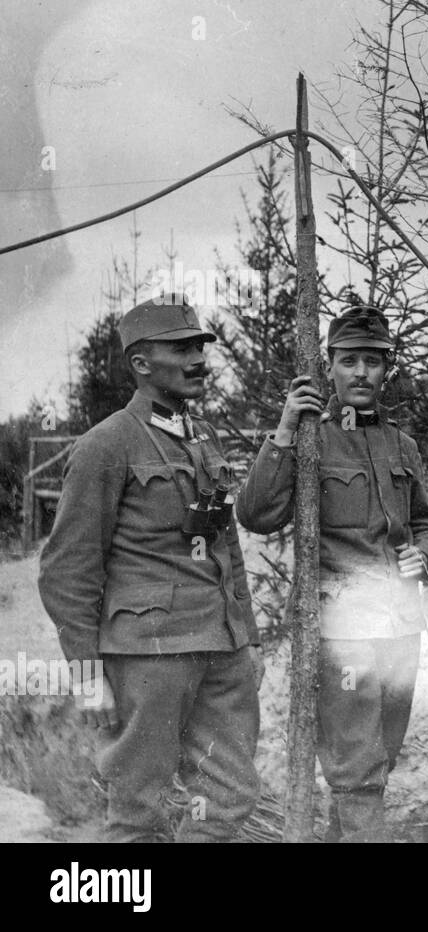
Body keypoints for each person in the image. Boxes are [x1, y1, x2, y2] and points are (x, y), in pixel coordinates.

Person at [39, 297, 262, 842]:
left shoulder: (202, 437)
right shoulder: (105, 445)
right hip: (148, 654)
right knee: (139, 810)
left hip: (220, 647)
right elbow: (66, 571)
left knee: (229, 798)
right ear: (141, 363)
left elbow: (225, 544)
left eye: (200, 348)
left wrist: (247, 638)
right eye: (181, 349)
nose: (198, 361)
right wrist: (88, 674)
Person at [237, 305, 428, 842]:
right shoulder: (311, 438)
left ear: (386, 370)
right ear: (329, 367)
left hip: (399, 626)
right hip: (342, 627)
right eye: (348, 361)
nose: (360, 373)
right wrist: (283, 430)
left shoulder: (403, 445)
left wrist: (427, 554)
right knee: (357, 768)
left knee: (381, 757)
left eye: (373, 362)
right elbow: (255, 514)